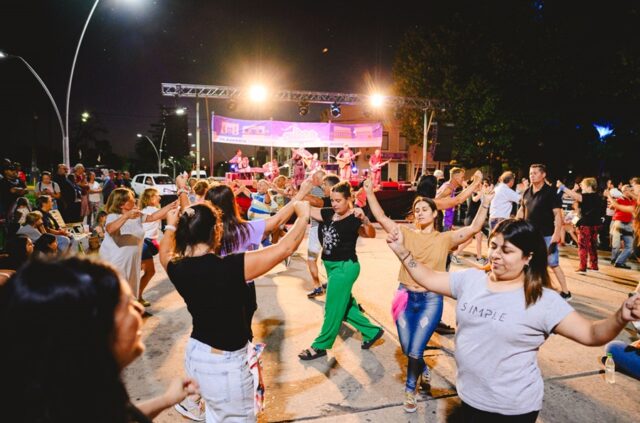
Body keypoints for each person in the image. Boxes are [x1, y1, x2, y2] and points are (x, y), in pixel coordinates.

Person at [385, 219, 640, 421]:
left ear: (528, 257)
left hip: (511, 409)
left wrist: (620, 316)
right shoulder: (471, 280)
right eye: (494, 246)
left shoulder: (542, 300)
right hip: (469, 397)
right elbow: (428, 278)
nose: (496, 255)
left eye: (507, 250)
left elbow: (591, 334)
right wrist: (401, 251)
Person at [159, 200, 310, 422]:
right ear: (216, 231)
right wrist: (303, 216)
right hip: (224, 364)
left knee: (214, 416)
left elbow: (164, 250)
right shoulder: (230, 267)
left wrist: (170, 226)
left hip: (197, 354)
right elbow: (285, 248)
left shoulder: (175, 267)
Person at [0, 257, 199, 422]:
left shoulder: (72, 395)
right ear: (90, 328)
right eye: (127, 304)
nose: (139, 309)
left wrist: (166, 400)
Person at [364, 177, 494, 412]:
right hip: (404, 297)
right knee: (407, 348)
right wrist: (370, 193)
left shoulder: (445, 239)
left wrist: (485, 203)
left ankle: (410, 389)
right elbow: (382, 217)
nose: (420, 213)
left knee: (415, 349)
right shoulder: (404, 233)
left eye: (425, 209)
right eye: (417, 210)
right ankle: (422, 367)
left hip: (430, 301)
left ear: (435, 214)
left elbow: (474, 229)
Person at [298, 181, 384, 360]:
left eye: (338, 200)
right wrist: (298, 193)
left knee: (332, 308)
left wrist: (366, 220)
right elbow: (301, 209)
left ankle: (320, 346)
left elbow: (370, 234)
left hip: (346, 267)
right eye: (332, 200)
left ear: (349, 199)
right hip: (331, 267)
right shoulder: (328, 213)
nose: (334, 204)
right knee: (344, 307)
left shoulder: (354, 218)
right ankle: (372, 331)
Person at [99, 188, 178, 300]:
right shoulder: (113, 216)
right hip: (116, 262)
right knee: (117, 294)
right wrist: (126, 216)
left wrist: (170, 206)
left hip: (132, 261)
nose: (135, 201)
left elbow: (152, 217)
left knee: (129, 293)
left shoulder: (136, 215)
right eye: (131, 200)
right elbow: (110, 229)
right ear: (122, 204)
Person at [517, 164, 571, 300]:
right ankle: (530, 287)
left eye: (535, 173)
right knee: (526, 261)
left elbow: (558, 215)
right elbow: (522, 211)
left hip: (547, 235)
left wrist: (556, 235)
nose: (532, 175)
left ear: (543, 175)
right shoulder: (527, 192)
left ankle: (566, 292)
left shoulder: (550, 193)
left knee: (553, 263)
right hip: (529, 234)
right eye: (530, 173)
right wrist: (515, 224)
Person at [557, 178, 604, 272]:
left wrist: (562, 187)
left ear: (589, 186)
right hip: (596, 224)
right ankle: (594, 265)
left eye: (583, 184)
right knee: (592, 245)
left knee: (583, 245)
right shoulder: (599, 197)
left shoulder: (586, 196)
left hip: (586, 224)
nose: (581, 186)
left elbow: (574, 196)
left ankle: (583, 267)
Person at [305, 172, 336, 298]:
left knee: (314, 259)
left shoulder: (329, 198)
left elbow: (317, 202)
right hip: (328, 231)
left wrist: (299, 193)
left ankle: (318, 287)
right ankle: (330, 284)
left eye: (324, 183)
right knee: (329, 259)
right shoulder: (339, 198)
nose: (323, 186)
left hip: (320, 229)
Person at [138, 188, 163, 307]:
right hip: (145, 244)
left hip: (142, 244)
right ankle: (137, 297)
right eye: (157, 196)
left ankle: (135, 296)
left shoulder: (143, 210)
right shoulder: (154, 210)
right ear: (151, 198)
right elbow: (171, 213)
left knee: (138, 273)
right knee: (150, 271)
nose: (160, 197)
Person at [608, 184, 635, 269]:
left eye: (631, 190)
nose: (630, 192)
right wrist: (614, 201)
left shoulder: (633, 200)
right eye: (628, 190)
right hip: (619, 223)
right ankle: (614, 260)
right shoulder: (619, 199)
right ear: (624, 191)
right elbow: (611, 206)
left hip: (629, 224)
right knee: (616, 245)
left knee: (630, 247)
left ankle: (619, 261)